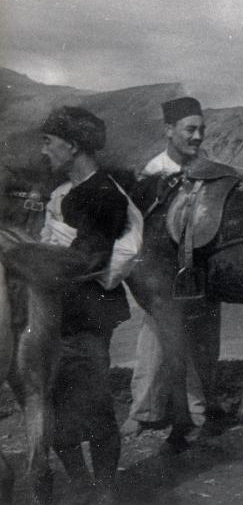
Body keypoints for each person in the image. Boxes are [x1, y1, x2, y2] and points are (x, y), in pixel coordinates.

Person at [39, 106, 134, 502]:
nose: (43, 151)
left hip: (87, 317)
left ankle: (105, 492)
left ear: (72, 145)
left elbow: (91, 259)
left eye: (48, 142)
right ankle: (82, 485)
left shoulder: (103, 195)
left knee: (94, 405)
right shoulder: (72, 194)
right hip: (59, 315)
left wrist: (33, 259)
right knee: (57, 405)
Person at [121, 96, 218, 436]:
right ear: (169, 131)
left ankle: (187, 407)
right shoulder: (153, 173)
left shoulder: (208, 167)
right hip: (162, 271)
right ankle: (150, 409)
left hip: (199, 268)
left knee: (198, 337)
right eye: (190, 129)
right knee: (157, 335)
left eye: (201, 130)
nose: (197, 137)